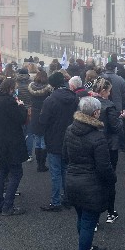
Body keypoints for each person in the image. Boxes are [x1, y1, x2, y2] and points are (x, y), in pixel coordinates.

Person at [63, 97, 117, 250]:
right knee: (88, 223)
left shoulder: (70, 129)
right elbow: (104, 167)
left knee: (81, 219)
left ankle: (87, 248)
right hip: (91, 185)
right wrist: (112, 179)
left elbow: (65, 155)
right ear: (95, 113)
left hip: (72, 180)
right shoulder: (98, 136)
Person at [39, 71, 78, 211]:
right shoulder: (74, 97)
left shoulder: (50, 100)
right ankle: (68, 198)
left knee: (55, 172)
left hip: (54, 138)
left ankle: (55, 202)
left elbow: (43, 121)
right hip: (70, 137)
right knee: (66, 169)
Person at [0, 78, 29, 216]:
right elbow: (21, 119)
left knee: (1, 172)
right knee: (16, 172)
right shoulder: (11, 103)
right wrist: (21, 106)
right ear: (11, 89)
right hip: (12, 142)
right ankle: (8, 205)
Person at [91, 78, 125, 224]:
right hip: (109, 144)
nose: (110, 93)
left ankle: (94, 217)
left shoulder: (88, 103)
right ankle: (110, 211)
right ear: (103, 91)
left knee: (94, 178)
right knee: (109, 179)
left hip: (92, 143)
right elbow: (116, 127)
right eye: (109, 90)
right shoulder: (109, 106)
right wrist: (121, 119)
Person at [28, 70, 53, 172]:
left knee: (37, 139)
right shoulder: (48, 89)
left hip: (34, 114)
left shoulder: (31, 88)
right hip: (44, 113)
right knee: (43, 139)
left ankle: (39, 163)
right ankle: (42, 164)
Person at [16, 68, 33, 160]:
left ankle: (20, 152)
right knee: (29, 133)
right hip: (30, 110)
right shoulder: (31, 84)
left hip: (19, 109)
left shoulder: (16, 83)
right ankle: (29, 154)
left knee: (20, 132)